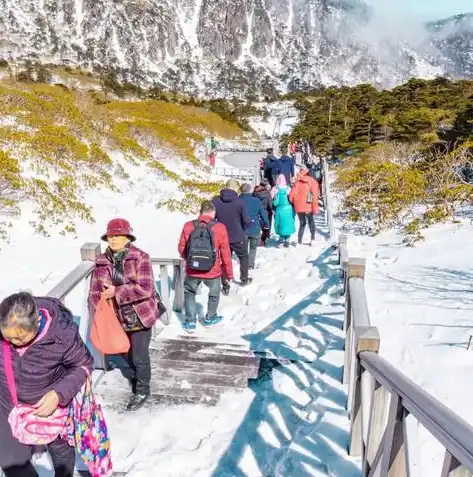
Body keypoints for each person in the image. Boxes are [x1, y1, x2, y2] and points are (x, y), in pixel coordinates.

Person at [0, 292, 93, 477]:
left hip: (51, 409)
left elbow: (84, 365)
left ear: (37, 324)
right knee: (11, 463)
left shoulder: (61, 334)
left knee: (61, 458)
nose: (13, 344)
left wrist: (58, 394)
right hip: (8, 406)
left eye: (19, 339)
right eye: (7, 338)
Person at [88, 218, 160, 412]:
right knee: (123, 351)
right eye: (111, 236)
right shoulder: (101, 261)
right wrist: (100, 308)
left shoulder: (141, 257)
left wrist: (116, 293)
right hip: (116, 317)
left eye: (118, 235)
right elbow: (95, 291)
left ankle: (143, 389)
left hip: (140, 314)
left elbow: (146, 289)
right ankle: (135, 375)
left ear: (127, 237)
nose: (113, 239)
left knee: (140, 356)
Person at [178, 201, 233, 330]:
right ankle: (210, 317)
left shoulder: (188, 226)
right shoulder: (220, 227)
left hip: (193, 270)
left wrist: (190, 260)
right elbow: (225, 253)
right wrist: (229, 274)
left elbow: (181, 248)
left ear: (200, 212)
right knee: (214, 294)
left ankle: (191, 321)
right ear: (213, 212)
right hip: (213, 270)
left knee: (190, 292)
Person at [212, 180, 253, 287]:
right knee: (243, 257)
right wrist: (250, 224)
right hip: (238, 236)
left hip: (222, 236)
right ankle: (244, 279)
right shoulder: (240, 202)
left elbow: (212, 218)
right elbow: (246, 221)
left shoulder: (216, 201)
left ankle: (225, 282)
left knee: (224, 259)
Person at [239, 183, 269, 269]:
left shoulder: (238, 201)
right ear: (250, 190)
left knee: (243, 248)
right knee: (253, 248)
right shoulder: (256, 201)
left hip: (242, 228)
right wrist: (266, 224)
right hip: (254, 227)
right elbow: (263, 214)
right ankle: (250, 264)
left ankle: (244, 263)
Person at [289, 165, 320, 246]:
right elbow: (314, 194)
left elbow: (291, 195)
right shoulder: (312, 181)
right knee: (311, 222)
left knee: (302, 223)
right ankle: (312, 239)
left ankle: (299, 241)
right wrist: (315, 207)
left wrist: (294, 202)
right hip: (308, 205)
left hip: (299, 206)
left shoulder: (297, 181)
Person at [271, 174, 296, 247]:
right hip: (289, 208)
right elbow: (292, 198)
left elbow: (273, 200)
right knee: (289, 222)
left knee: (279, 223)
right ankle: (287, 239)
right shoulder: (288, 188)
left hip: (279, 209)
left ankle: (281, 239)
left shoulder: (275, 188)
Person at [253, 179, 273, 246]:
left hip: (256, 211)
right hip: (265, 210)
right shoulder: (267, 193)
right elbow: (270, 203)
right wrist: (271, 209)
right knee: (266, 226)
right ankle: (263, 240)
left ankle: (256, 239)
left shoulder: (254, 192)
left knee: (257, 225)